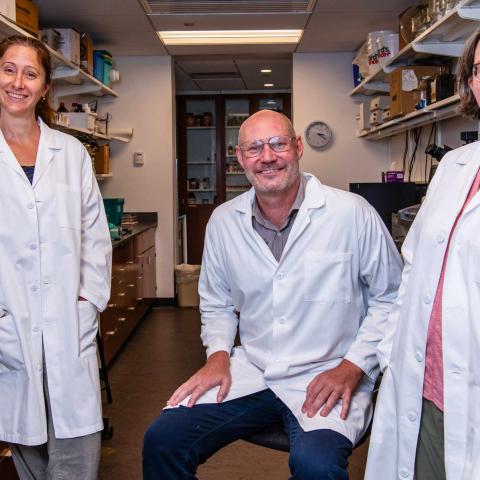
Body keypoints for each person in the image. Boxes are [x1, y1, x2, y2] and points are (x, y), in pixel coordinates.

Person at [143, 109, 402, 479]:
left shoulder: (351, 213)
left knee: (316, 466)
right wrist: (217, 356)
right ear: (240, 157)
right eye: (254, 148)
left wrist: (352, 367)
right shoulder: (223, 221)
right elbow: (216, 302)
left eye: (278, 143)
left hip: (328, 372)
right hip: (253, 369)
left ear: (297, 147)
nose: (267, 157)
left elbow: (390, 298)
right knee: (162, 440)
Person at [364, 30, 480, 480]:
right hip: (425, 386)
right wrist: (391, 347)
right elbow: (412, 267)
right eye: (478, 68)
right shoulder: (455, 165)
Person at [0, 35, 112, 479]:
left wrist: (88, 302)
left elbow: (94, 237)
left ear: (45, 88)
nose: (18, 82)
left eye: (31, 73)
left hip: (70, 323)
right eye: (9, 69)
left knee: (77, 451)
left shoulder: (70, 154)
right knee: (28, 448)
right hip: (10, 326)